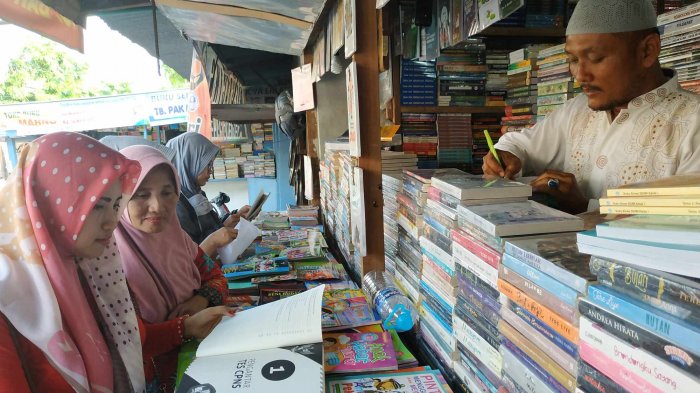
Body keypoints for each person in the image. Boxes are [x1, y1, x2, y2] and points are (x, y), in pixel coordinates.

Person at [0, 133, 232, 393]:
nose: (112, 221)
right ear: (50, 202)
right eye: (98, 205)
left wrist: (185, 325)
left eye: (115, 205)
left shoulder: (92, 267)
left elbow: (131, 338)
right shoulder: (11, 302)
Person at [482, 0, 700, 214]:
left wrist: (586, 208)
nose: (580, 76)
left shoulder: (693, 121)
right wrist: (507, 156)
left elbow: (688, 223)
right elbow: (519, 144)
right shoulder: (577, 110)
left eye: (596, 58)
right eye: (573, 59)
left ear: (647, 51)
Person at [114, 145, 235, 390]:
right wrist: (184, 327)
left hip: (207, 354)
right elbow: (127, 340)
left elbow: (216, 276)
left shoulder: (179, 239)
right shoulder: (107, 261)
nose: (157, 206)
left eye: (167, 193)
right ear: (120, 196)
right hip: (154, 379)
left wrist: (201, 300)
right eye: (141, 194)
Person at [166, 132, 250, 245]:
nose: (211, 170)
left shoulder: (198, 194)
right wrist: (216, 238)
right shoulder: (176, 204)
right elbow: (191, 251)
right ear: (188, 162)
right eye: (207, 164)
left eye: (211, 165)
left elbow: (210, 230)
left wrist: (232, 219)